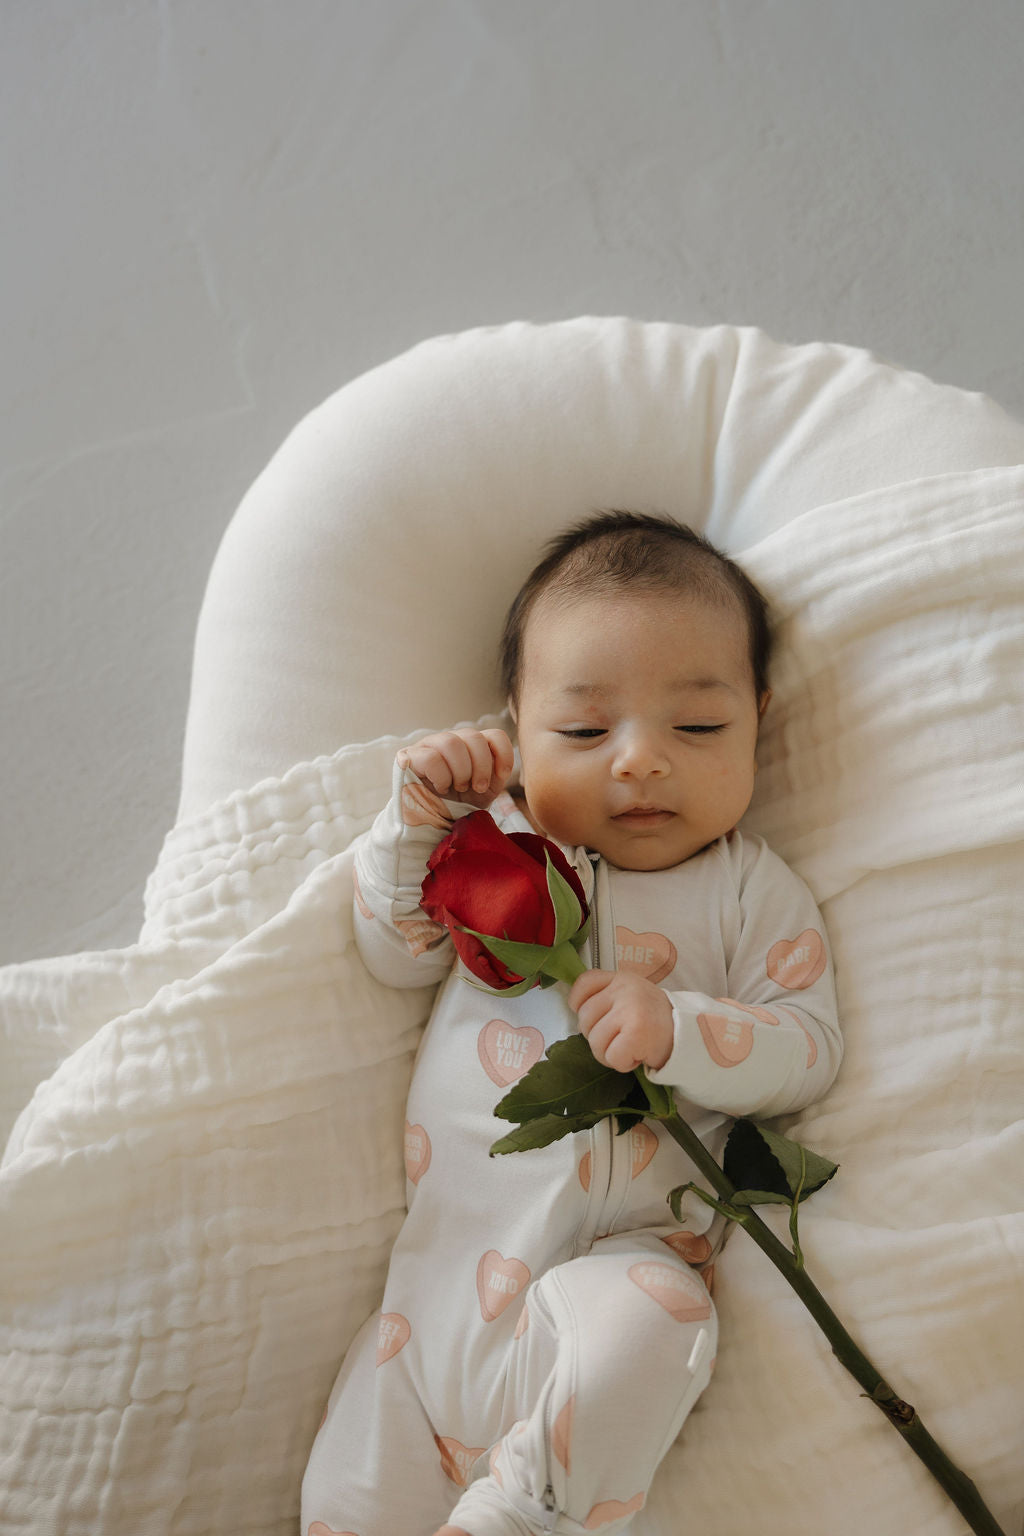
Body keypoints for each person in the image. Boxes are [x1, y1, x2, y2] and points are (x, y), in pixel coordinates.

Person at [301, 511, 842, 1536]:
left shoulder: (748, 893)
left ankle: (523, 1514)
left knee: (660, 1319)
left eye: (697, 728)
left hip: (612, 1276)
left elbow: (808, 1049)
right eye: (585, 732)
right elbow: (393, 947)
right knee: (344, 1499)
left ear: (759, 719)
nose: (638, 763)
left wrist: (680, 1030)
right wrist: (418, 820)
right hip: (431, 1308)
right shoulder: (497, 845)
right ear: (516, 726)